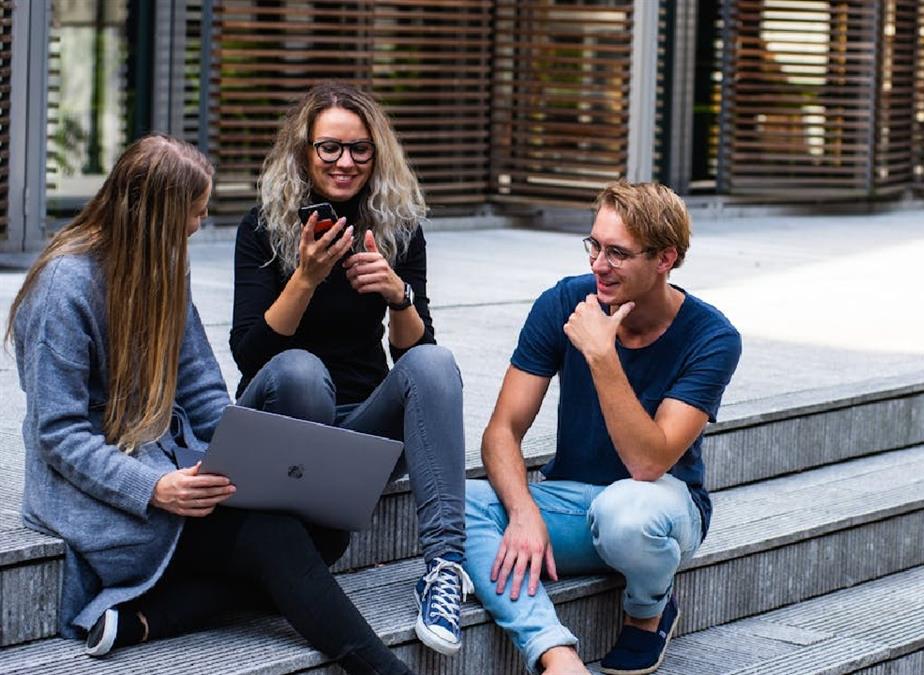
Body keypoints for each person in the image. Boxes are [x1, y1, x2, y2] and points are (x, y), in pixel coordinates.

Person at [9, 134, 414, 674]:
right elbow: (58, 436)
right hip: (100, 492)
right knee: (276, 541)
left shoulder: (164, 266)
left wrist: (241, 457)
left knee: (326, 533)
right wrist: (153, 488)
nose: (199, 225)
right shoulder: (64, 287)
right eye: (194, 213)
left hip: (174, 469)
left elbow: (201, 390)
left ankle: (151, 617)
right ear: (155, 214)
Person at [229, 82, 470, 655]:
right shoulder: (262, 228)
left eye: (360, 149)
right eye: (329, 148)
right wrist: (306, 277)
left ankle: (443, 570)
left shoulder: (397, 227)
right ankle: (297, 547)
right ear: (304, 152)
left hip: (359, 431)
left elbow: (416, 362)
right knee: (302, 372)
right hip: (283, 420)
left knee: (436, 363)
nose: (345, 162)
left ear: (377, 153)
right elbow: (250, 354)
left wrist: (398, 296)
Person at [464, 181, 742, 674]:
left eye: (617, 253)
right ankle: (555, 652)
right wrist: (524, 511)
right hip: (571, 500)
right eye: (594, 245)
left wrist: (600, 354)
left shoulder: (712, 337)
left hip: (660, 506)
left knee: (626, 512)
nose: (598, 264)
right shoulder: (565, 301)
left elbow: (648, 462)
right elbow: (502, 431)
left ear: (665, 259)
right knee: (458, 503)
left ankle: (648, 614)